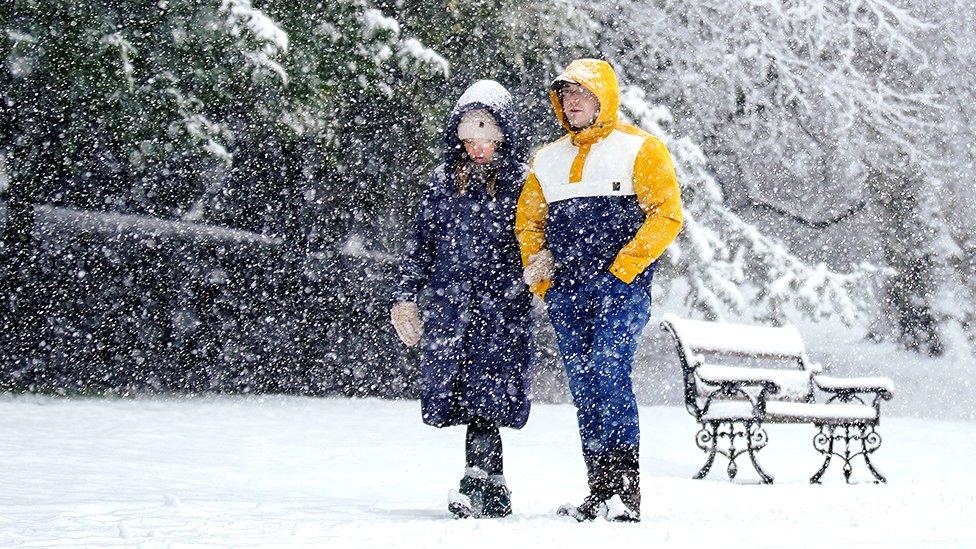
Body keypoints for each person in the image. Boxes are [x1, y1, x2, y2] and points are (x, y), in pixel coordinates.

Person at [515, 59, 683, 522]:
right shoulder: (547, 159)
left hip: (619, 290)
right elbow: (528, 221)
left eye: (582, 94)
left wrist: (622, 271)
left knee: (611, 374)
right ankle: (599, 487)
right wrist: (542, 274)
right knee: (585, 387)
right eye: (566, 95)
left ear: (604, 98)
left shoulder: (640, 149)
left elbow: (666, 215)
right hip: (567, 293)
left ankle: (625, 492)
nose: (573, 103)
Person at [390, 80, 532, 519]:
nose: (476, 147)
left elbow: (538, 238)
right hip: (453, 310)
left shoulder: (523, 185)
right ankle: (493, 486)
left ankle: (476, 481)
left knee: (488, 397)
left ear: (503, 134)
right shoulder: (442, 183)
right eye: (468, 138)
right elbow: (420, 245)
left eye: (485, 136)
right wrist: (405, 297)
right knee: (469, 397)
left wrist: (538, 270)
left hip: (503, 309)